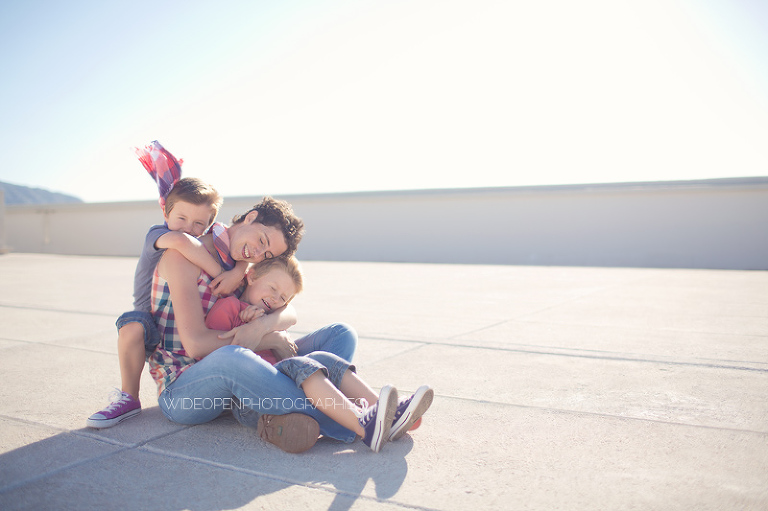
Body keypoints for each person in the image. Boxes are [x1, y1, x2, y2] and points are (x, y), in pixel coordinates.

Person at [149, 195, 366, 454]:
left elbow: (290, 311)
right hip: (185, 392)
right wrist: (271, 338)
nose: (257, 254)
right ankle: (350, 418)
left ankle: (279, 414)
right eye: (261, 241)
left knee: (340, 334)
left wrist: (260, 327)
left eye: (267, 254)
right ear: (249, 217)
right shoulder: (181, 257)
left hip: (242, 382)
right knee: (232, 358)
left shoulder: (239, 267)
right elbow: (196, 346)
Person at [87, 141, 248, 428]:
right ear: (166, 213)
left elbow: (236, 253)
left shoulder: (207, 241)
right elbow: (180, 241)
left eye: (199, 224)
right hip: (149, 320)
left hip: (176, 325)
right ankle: (128, 397)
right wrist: (220, 272)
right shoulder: (159, 234)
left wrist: (240, 269)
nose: (189, 227)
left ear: (210, 224)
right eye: (181, 217)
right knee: (131, 327)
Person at [204, 256, 434, 452]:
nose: (275, 299)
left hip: (279, 390)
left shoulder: (270, 318)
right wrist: (263, 334)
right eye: (273, 289)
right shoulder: (229, 307)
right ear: (251, 276)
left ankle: (384, 414)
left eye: (283, 298)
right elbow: (220, 360)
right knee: (304, 364)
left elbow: (283, 359)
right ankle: (363, 425)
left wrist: (267, 327)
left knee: (321, 361)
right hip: (248, 401)